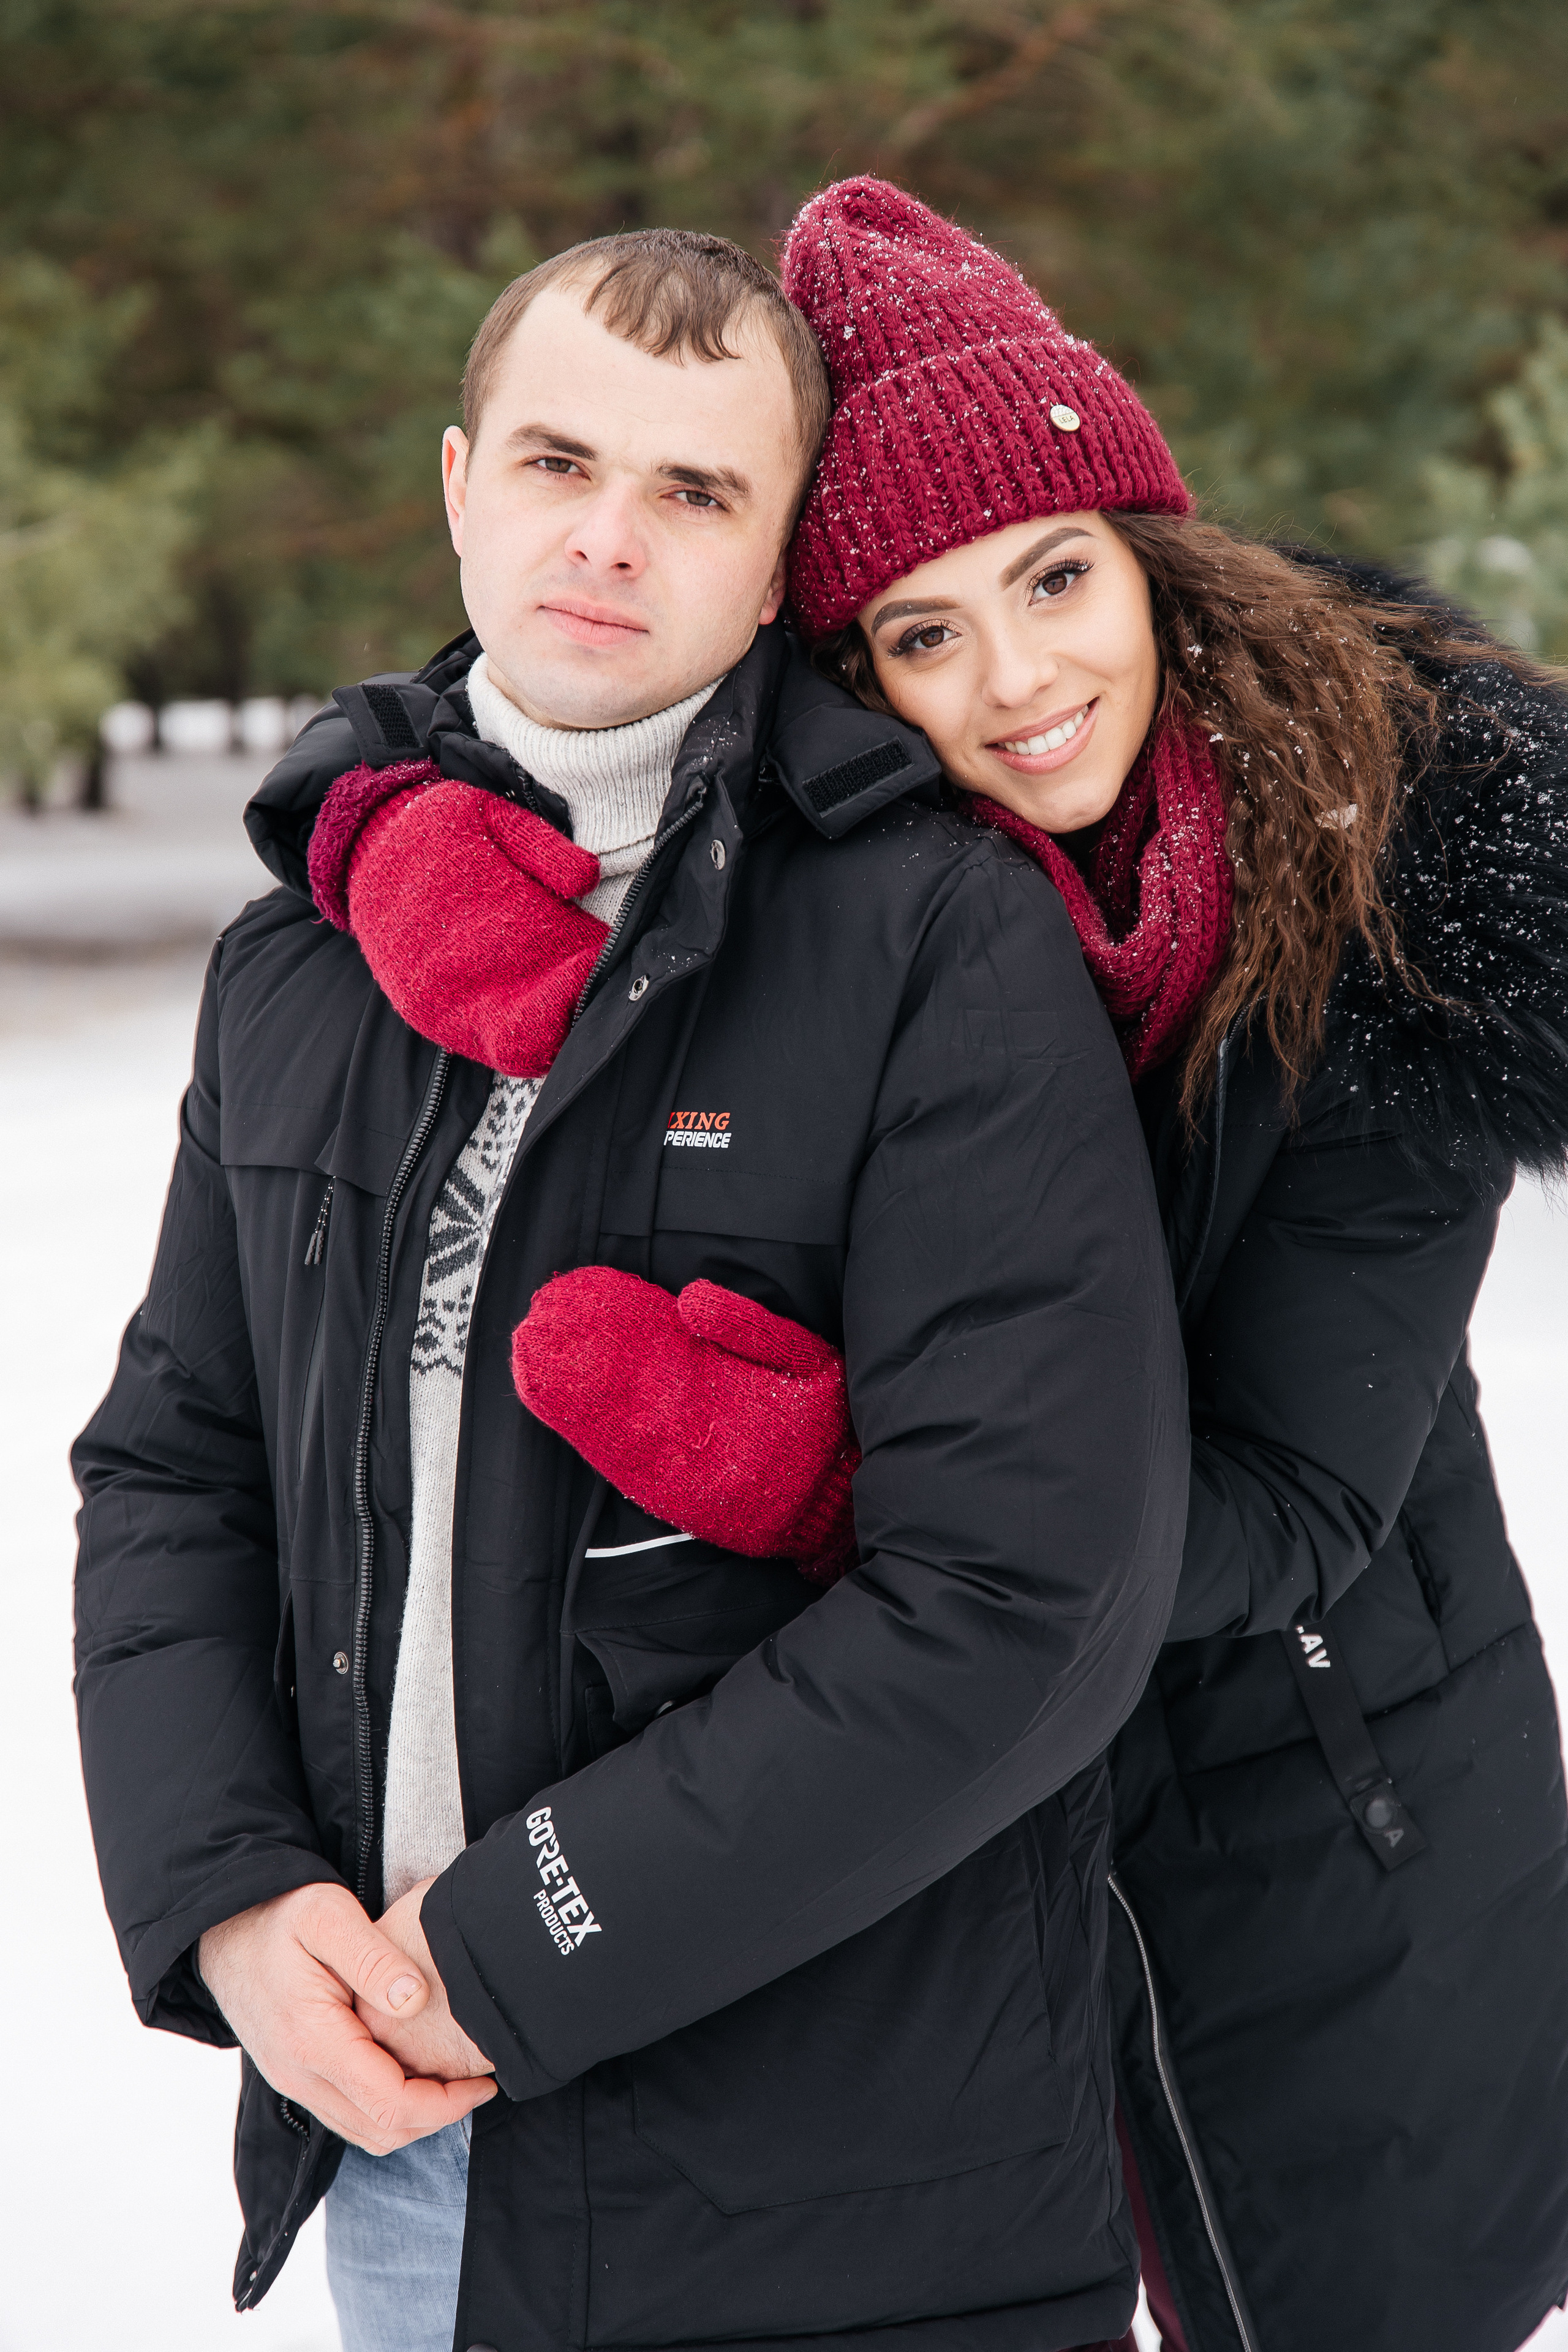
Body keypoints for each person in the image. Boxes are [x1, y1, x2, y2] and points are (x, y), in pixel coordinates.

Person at [72, 224, 1189, 2352]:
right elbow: (174, 1467)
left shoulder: (933, 935)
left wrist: (517, 1945)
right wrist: (224, 1893)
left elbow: (1031, 1597)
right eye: (561, 462)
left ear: (782, 572)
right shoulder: (304, 956)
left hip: (864, 2192)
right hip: (407, 2153)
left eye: (697, 492)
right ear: (457, 480)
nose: (609, 540)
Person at [650, 176, 1566, 2351]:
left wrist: (878, 1521)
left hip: (1336, 1815)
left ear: (1143, 548)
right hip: (981, 1842)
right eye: (922, 630)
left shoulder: (1386, 879)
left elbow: (1304, 1498)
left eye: (1054, 579)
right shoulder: (871, 922)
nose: (1021, 681)